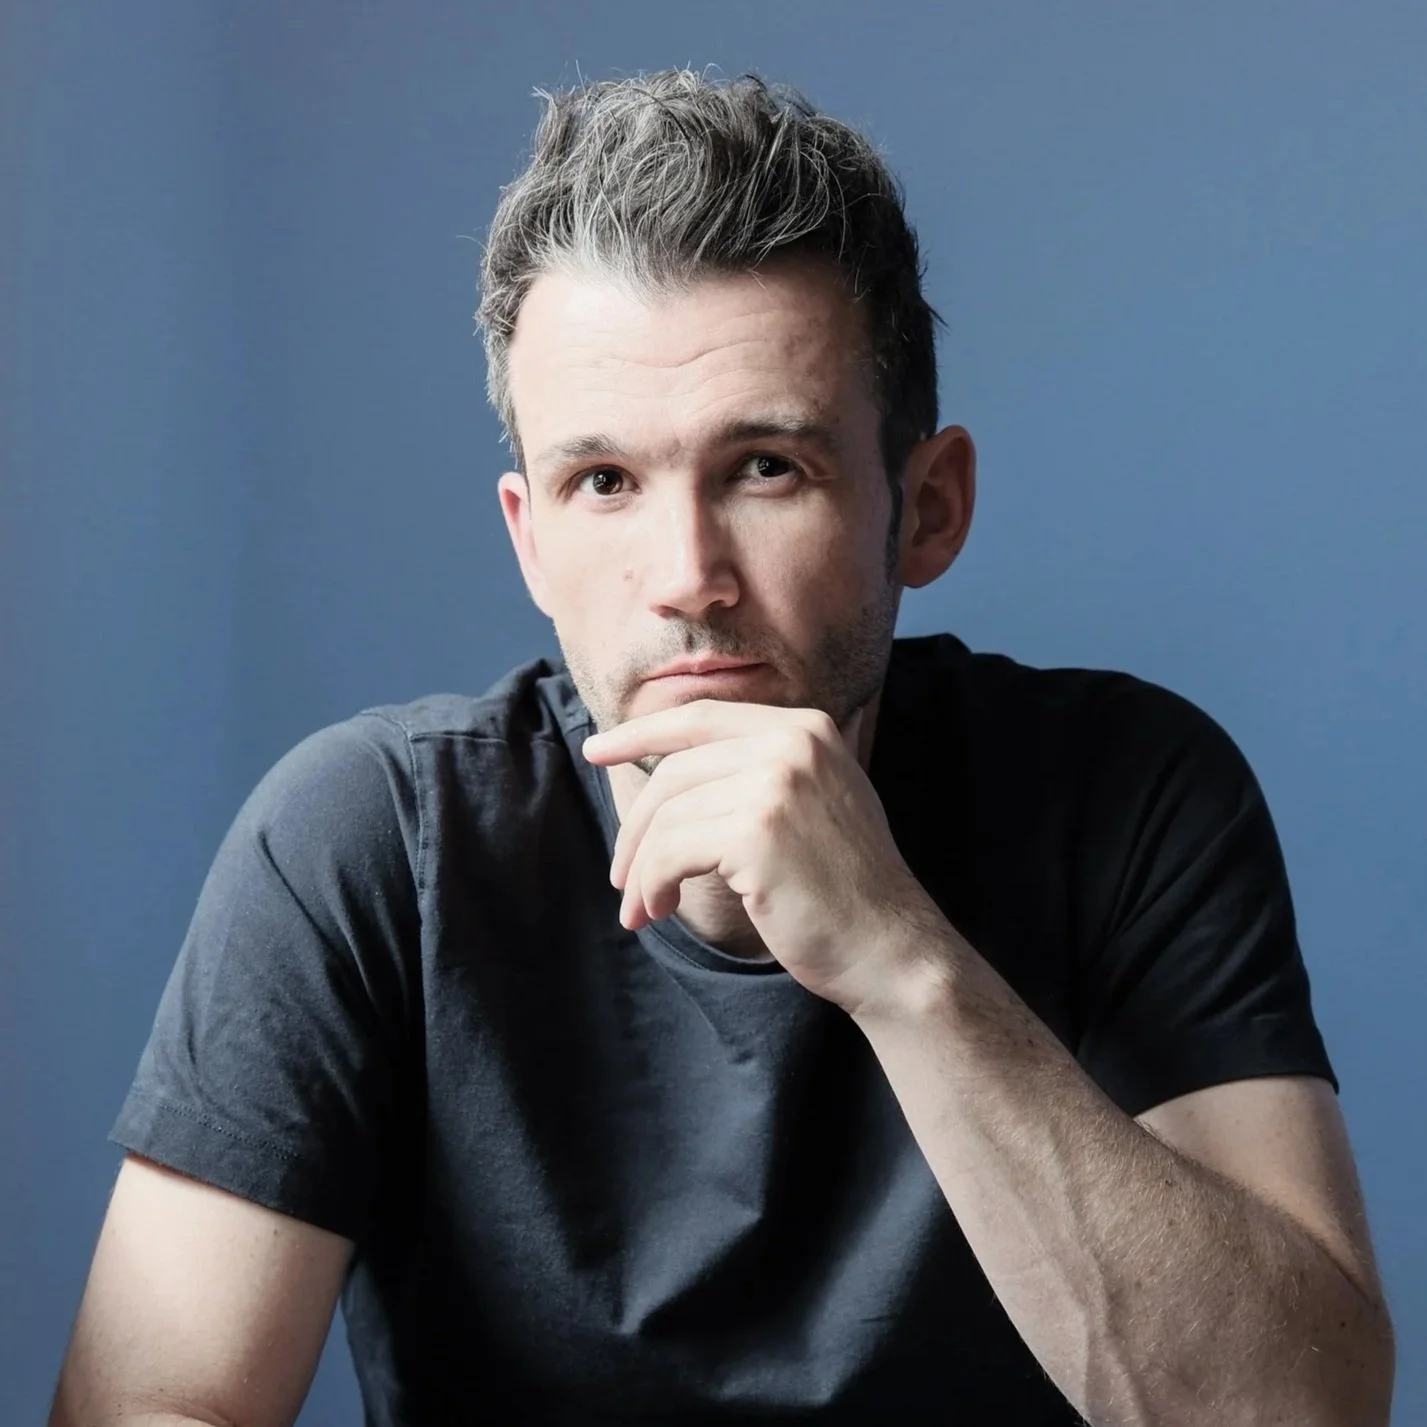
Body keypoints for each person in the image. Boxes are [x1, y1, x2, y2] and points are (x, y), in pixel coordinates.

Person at [50, 70, 1394, 1427]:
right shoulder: (367, 845)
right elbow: (150, 1404)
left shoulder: (1126, 794)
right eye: (605, 483)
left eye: (765, 467)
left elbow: (1301, 1408)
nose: (685, 576)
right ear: (529, 536)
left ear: (924, 509)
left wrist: (898, 960)